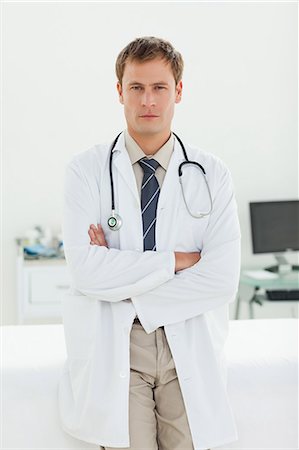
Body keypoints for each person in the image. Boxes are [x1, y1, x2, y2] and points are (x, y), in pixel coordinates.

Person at [58, 36, 241, 450]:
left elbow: (222, 279)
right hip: (119, 345)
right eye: (136, 88)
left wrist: (122, 280)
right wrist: (176, 261)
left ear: (178, 91)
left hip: (188, 341)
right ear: (119, 91)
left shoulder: (212, 175)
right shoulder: (85, 172)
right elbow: (85, 271)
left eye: (159, 87)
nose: (148, 101)